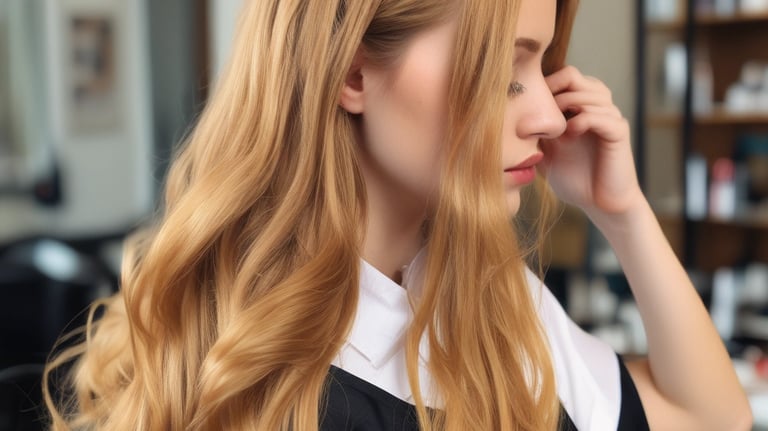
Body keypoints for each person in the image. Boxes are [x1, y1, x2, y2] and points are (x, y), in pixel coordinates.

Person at [44, 0, 753, 430]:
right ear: (354, 73)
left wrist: (622, 212)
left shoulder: (499, 308)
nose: (546, 114)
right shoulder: (218, 357)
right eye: (507, 73)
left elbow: (712, 417)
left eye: (543, 70)